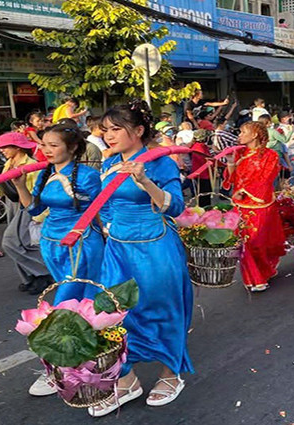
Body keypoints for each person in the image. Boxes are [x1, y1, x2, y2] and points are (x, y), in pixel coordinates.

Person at [85, 100, 193, 417]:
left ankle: (171, 373)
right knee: (113, 314)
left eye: (116, 129)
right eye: (105, 130)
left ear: (139, 130)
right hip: (117, 249)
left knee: (160, 310)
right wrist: (107, 226)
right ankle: (126, 380)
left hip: (155, 247)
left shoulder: (160, 162)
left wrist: (145, 181)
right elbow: (104, 204)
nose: (108, 136)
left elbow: (175, 208)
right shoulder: (108, 164)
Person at [12, 124, 105, 397]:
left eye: (53, 145)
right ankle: (83, 358)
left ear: (73, 147)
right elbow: (35, 208)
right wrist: (19, 185)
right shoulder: (44, 174)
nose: (46, 150)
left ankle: (56, 366)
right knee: (74, 303)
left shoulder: (88, 176)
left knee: (65, 304)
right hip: (51, 243)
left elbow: (97, 210)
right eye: (44, 145)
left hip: (80, 243)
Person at [223, 121, 286, 292]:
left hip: (260, 204)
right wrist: (230, 163)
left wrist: (245, 191)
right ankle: (254, 278)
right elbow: (234, 179)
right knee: (244, 243)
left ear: (255, 134)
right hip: (241, 205)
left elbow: (266, 178)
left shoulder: (270, 155)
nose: (240, 135)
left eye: (243, 132)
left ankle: (265, 269)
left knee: (259, 242)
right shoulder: (239, 154)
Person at [0, 132, 52, 294]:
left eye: (5, 147)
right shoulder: (9, 163)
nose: (2, 150)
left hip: (28, 207)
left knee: (11, 242)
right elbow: (5, 188)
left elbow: (38, 193)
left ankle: (43, 272)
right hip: (13, 205)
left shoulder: (31, 165)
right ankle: (30, 276)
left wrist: (38, 216)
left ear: (17, 148)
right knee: (20, 243)